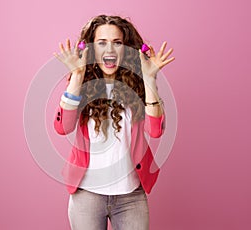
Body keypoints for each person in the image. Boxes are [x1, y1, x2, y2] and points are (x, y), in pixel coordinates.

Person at [53, 15, 175, 230]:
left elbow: (155, 131)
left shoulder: (138, 84)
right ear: (91, 48)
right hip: (87, 195)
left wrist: (149, 80)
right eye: (102, 43)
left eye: (117, 43)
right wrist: (77, 75)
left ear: (126, 48)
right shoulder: (83, 83)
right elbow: (63, 127)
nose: (109, 50)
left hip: (131, 196)